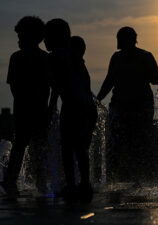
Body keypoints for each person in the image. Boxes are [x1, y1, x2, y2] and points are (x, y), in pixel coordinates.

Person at [96, 27, 158, 183]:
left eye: (122, 39)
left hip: (139, 106)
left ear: (131, 40)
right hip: (122, 105)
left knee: (135, 142)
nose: (120, 42)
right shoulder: (118, 57)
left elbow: (156, 79)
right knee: (118, 142)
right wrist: (97, 100)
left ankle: (136, 177)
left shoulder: (145, 56)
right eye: (119, 38)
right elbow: (109, 80)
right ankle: (118, 177)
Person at [45, 19, 97, 203]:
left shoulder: (56, 56)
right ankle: (84, 183)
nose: (44, 40)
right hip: (88, 106)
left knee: (67, 148)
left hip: (73, 106)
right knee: (81, 148)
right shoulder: (74, 55)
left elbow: (57, 87)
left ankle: (72, 185)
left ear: (56, 37)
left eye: (47, 36)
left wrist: (50, 110)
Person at [1, 16, 50, 197]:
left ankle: (11, 181)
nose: (18, 40)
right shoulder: (45, 58)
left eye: (21, 36)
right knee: (39, 148)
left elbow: (14, 86)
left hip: (23, 109)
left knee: (19, 146)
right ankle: (41, 183)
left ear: (30, 37)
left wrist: (23, 101)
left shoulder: (17, 57)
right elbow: (51, 87)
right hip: (40, 110)